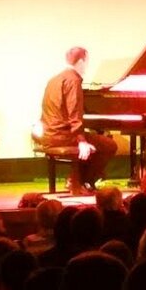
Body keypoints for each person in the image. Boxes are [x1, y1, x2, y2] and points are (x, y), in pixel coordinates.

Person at [40, 45, 118, 193]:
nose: (87, 66)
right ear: (81, 61)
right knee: (109, 145)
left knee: (95, 142)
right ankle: (82, 181)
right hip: (64, 136)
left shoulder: (54, 79)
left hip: (49, 134)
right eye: (87, 62)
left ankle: (74, 179)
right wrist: (81, 141)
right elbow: (74, 113)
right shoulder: (73, 80)